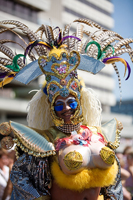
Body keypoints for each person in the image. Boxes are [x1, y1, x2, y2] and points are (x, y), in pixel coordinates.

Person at [0, 18, 133, 200]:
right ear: (51, 106)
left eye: (71, 102)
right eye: (59, 104)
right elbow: (19, 176)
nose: (66, 109)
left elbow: (115, 177)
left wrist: (112, 196)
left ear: (79, 100)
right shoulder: (44, 140)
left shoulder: (97, 134)